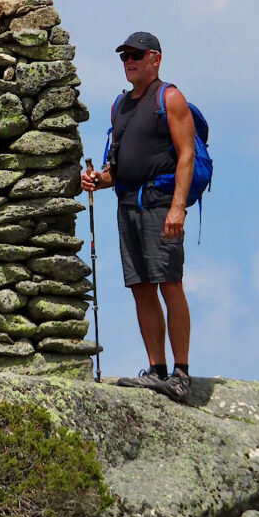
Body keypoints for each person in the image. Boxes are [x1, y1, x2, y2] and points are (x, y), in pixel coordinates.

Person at [81, 31, 195, 402]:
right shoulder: (119, 105)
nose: (129, 61)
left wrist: (177, 207)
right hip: (128, 203)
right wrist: (98, 180)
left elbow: (186, 155)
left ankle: (181, 373)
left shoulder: (171, 98)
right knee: (141, 286)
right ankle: (156, 370)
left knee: (168, 283)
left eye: (136, 55)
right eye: (124, 56)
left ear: (155, 59)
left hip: (161, 203)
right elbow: (119, 168)